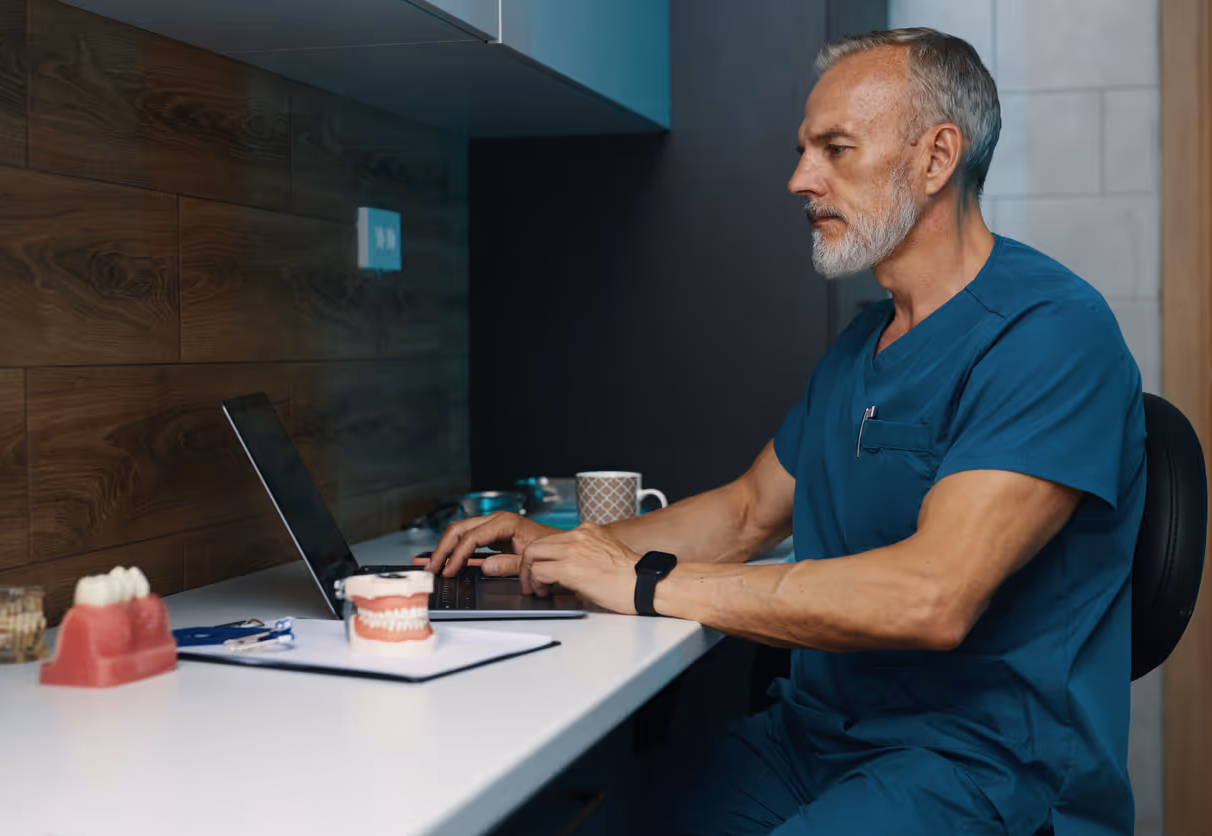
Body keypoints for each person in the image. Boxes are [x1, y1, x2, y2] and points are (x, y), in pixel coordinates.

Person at [425, 28, 1144, 836]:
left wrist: (643, 581)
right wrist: (560, 551)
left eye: (836, 149)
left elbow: (932, 596)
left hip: (981, 765)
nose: (801, 179)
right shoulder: (863, 344)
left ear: (937, 159)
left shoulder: (1050, 333)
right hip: (814, 740)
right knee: (572, 817)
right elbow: (745, 515)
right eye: (805, 149)